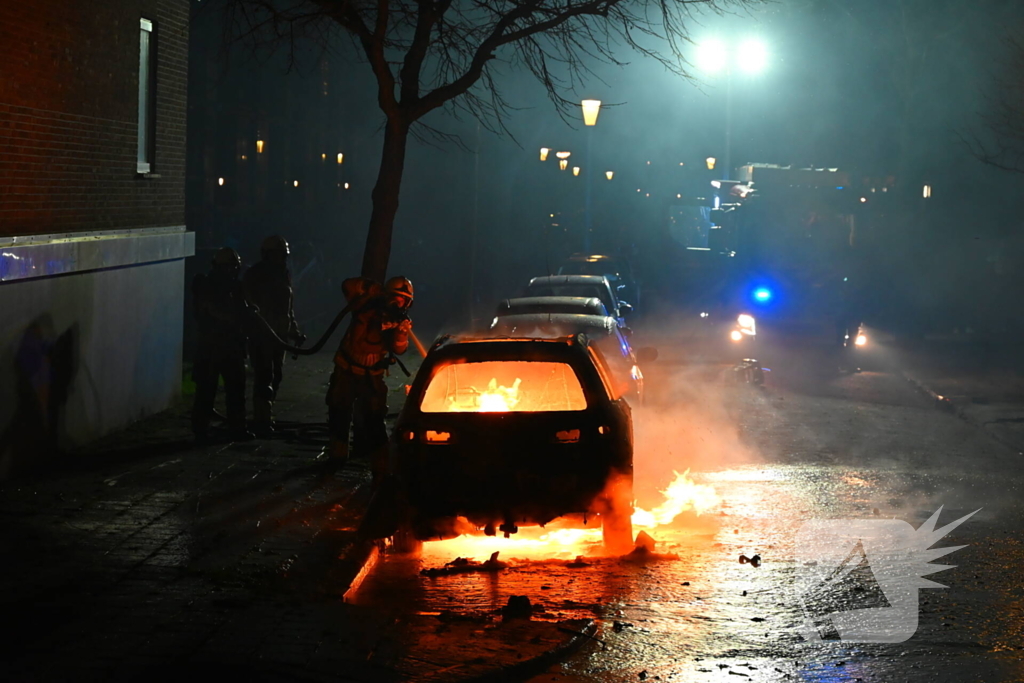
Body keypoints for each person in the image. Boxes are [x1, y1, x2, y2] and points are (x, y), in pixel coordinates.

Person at [325, 276, 413, 475]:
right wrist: (369, 287)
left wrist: (401, 333)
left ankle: (380, 462)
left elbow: (399, 349)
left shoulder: (398, 320)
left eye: (403, 300)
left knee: (375, 416)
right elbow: (346, 285)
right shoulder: (365, 305)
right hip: (346, 368)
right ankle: (337, 456)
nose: (398, 303)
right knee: (339, 410)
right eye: (396, 297)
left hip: (372, 374)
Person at [243, 235, 305, 436]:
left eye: (283, 255)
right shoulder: (254, 276)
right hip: (261, 335)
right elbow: (248, 306)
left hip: (280, 335)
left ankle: (265, 414)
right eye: (279, 255)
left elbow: (289, 307)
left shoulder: (283, 275)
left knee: (276, 375)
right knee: (264, 375)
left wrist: (293, 330)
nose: (283, 259)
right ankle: (261, 419)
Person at [192, 247, 254, 442]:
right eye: (230, 266)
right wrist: (240, 317)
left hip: (231, 346)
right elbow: (216, 312)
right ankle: (201, 429)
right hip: (211, 347)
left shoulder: (236, 287)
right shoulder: (206, 286)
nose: (233, 270)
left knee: (236, 390)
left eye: (235, 267)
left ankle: (238, 428)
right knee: (206, 390)